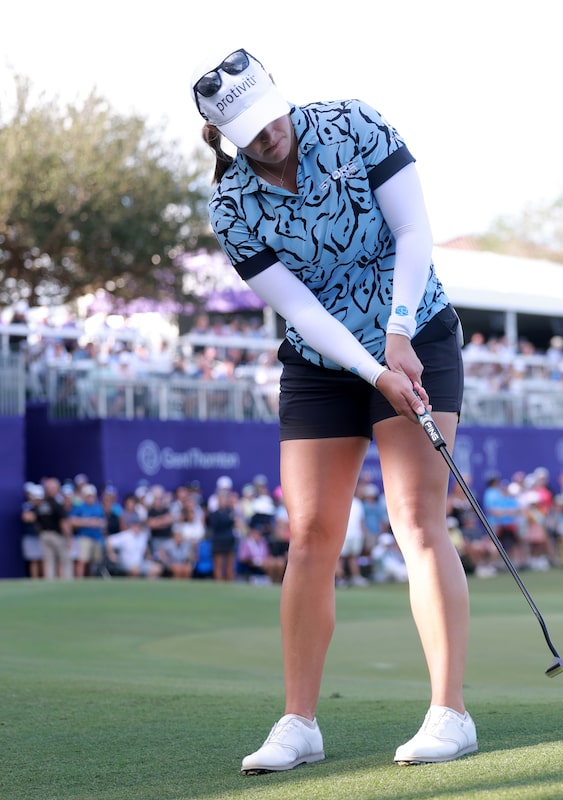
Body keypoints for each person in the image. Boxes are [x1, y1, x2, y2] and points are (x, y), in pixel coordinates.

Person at [192, 47, 473, 774]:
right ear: (225, 137)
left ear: (280, 97)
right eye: (246, 132)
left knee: (416, 517)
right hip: (325, 363)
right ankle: (299, 723)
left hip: (418, 333)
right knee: (311, 533)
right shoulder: (232, 206)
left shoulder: (354, 125)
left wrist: (400, 336)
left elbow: (413, 233)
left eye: (268, 118)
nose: (266, 136)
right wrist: (373, 369)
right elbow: (302, 311)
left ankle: (451, 712)